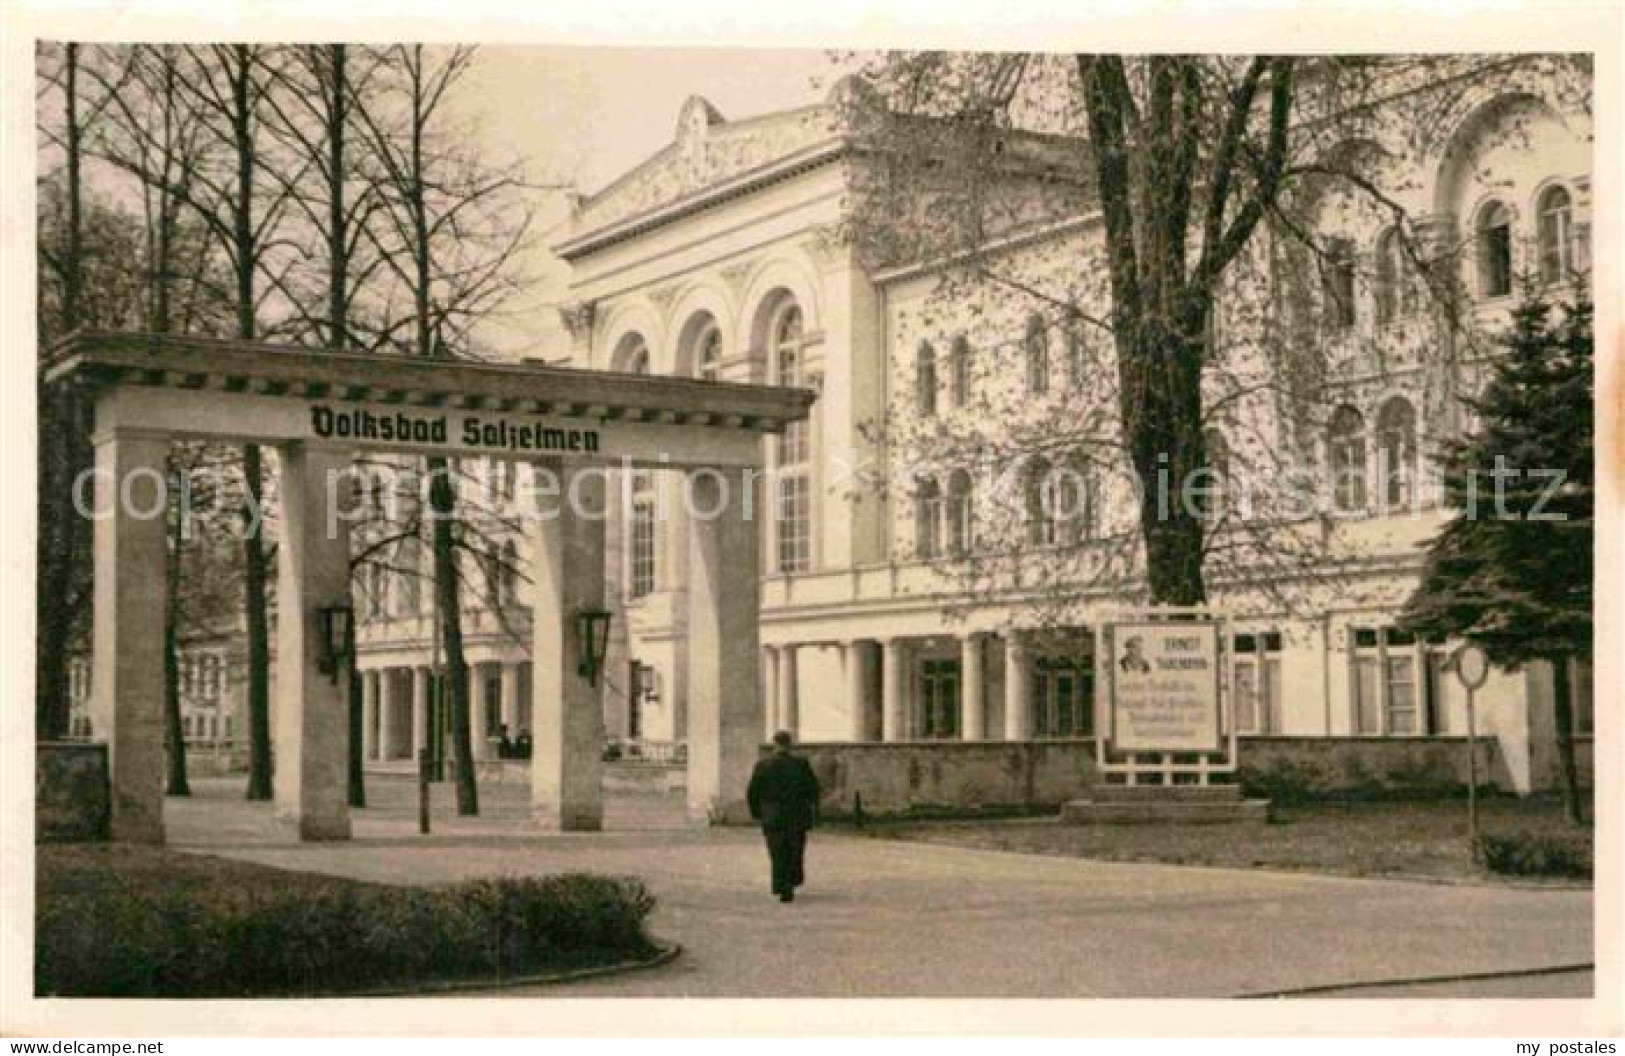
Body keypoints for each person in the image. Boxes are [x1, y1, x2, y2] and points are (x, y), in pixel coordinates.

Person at [747, 730, 821, 903]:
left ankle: (781, 884)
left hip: (773, 816)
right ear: (790, 745)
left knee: (777, 851)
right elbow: (813, 789)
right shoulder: (801, 764)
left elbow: (753, 792)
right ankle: (792, 880)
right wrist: (814, 810)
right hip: (797, 815)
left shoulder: (763, 765)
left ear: (775, 744)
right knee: (795, 850)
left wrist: (757, 813)